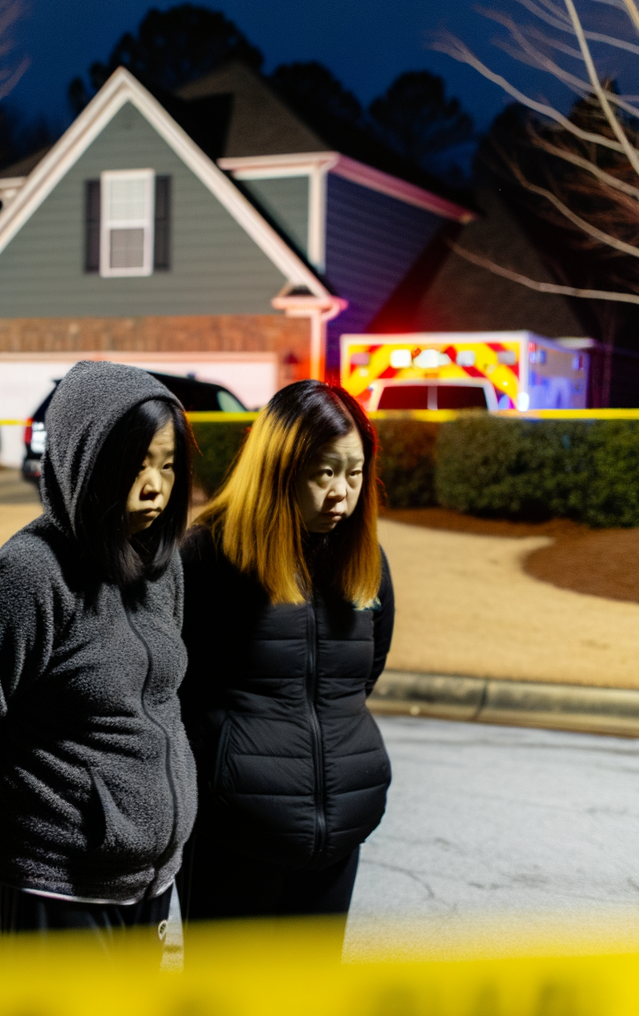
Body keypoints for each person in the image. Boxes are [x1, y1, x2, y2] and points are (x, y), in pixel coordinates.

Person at [0, 361, 197, 962]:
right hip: (55, 881)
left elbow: (160, 699)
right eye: (136, 466)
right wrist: (13, 805)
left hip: (149, 880)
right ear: (86, 462)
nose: (155, 485)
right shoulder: (31, 574)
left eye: (167, 464)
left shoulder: (164, 564)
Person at [178, 380, 394, 929]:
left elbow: (358, 679)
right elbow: (177, 690)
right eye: (324, 472)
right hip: (235, 834)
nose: (341, 493)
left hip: (339, 830)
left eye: (355, 471)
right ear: (279, 467)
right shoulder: (210, 554)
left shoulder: (364, 560)